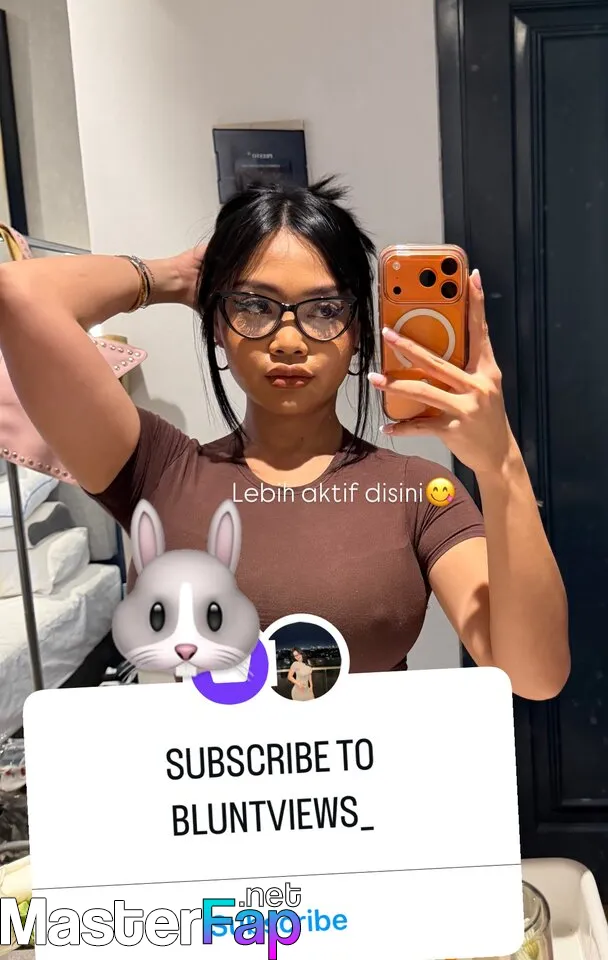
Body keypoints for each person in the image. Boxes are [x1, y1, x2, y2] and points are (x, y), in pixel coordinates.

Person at [0, 179, 569, 700]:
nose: (290, 340)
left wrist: (501, 465)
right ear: (216, 323)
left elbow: (535, 676)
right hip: (205, 784)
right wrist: (172, 277)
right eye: (254, 306)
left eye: (324, 310)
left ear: (358, 332)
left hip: (370, 782)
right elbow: (19, 295)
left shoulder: (418, 495)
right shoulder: (156, 471)